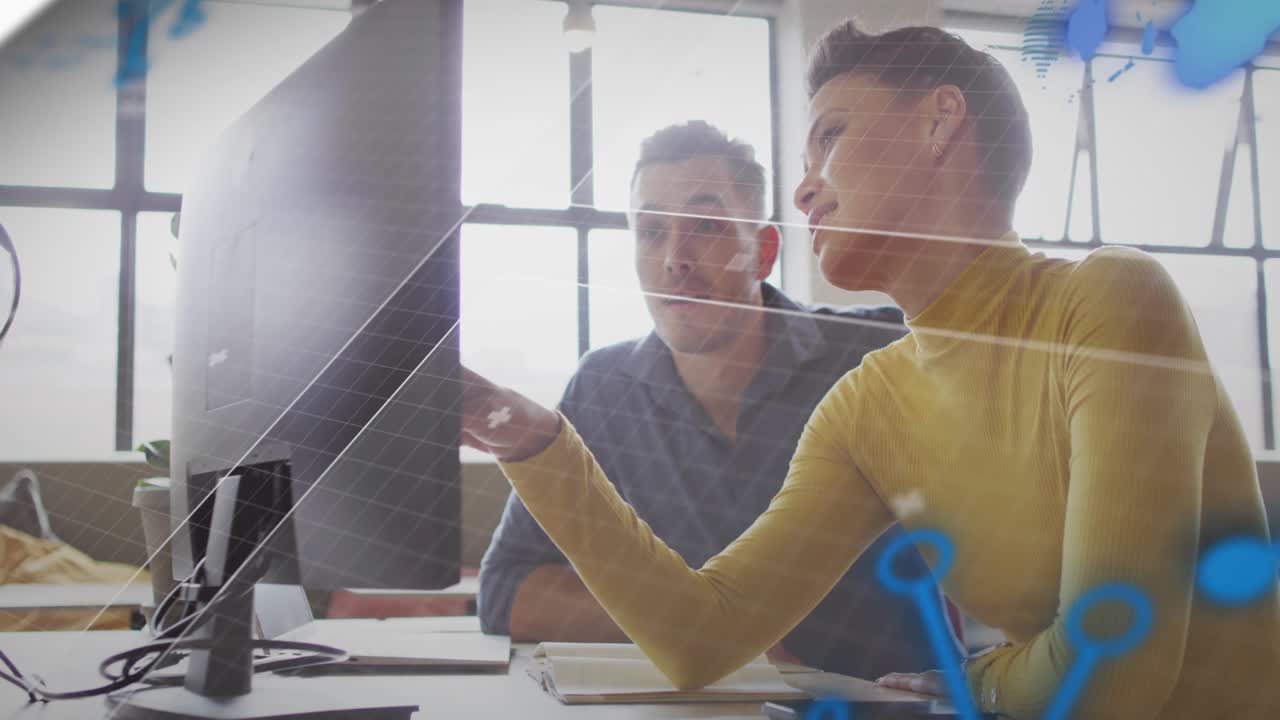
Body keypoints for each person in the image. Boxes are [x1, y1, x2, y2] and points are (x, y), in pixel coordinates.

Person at [459, 22, 1279, 720]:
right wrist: (537, 446)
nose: (806, 190)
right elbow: (699, 638)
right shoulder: (868, 401)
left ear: (939, 122)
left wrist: (965, 685)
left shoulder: (1108, 299)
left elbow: (1114, 671)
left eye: (832, 137)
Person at [477, 121, 938, 679]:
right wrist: (696, 629)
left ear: (764, 250)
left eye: (707, 226)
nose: (675, 257)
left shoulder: (879, 352)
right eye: (651, 232)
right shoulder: (602, 386)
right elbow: (507, 590)